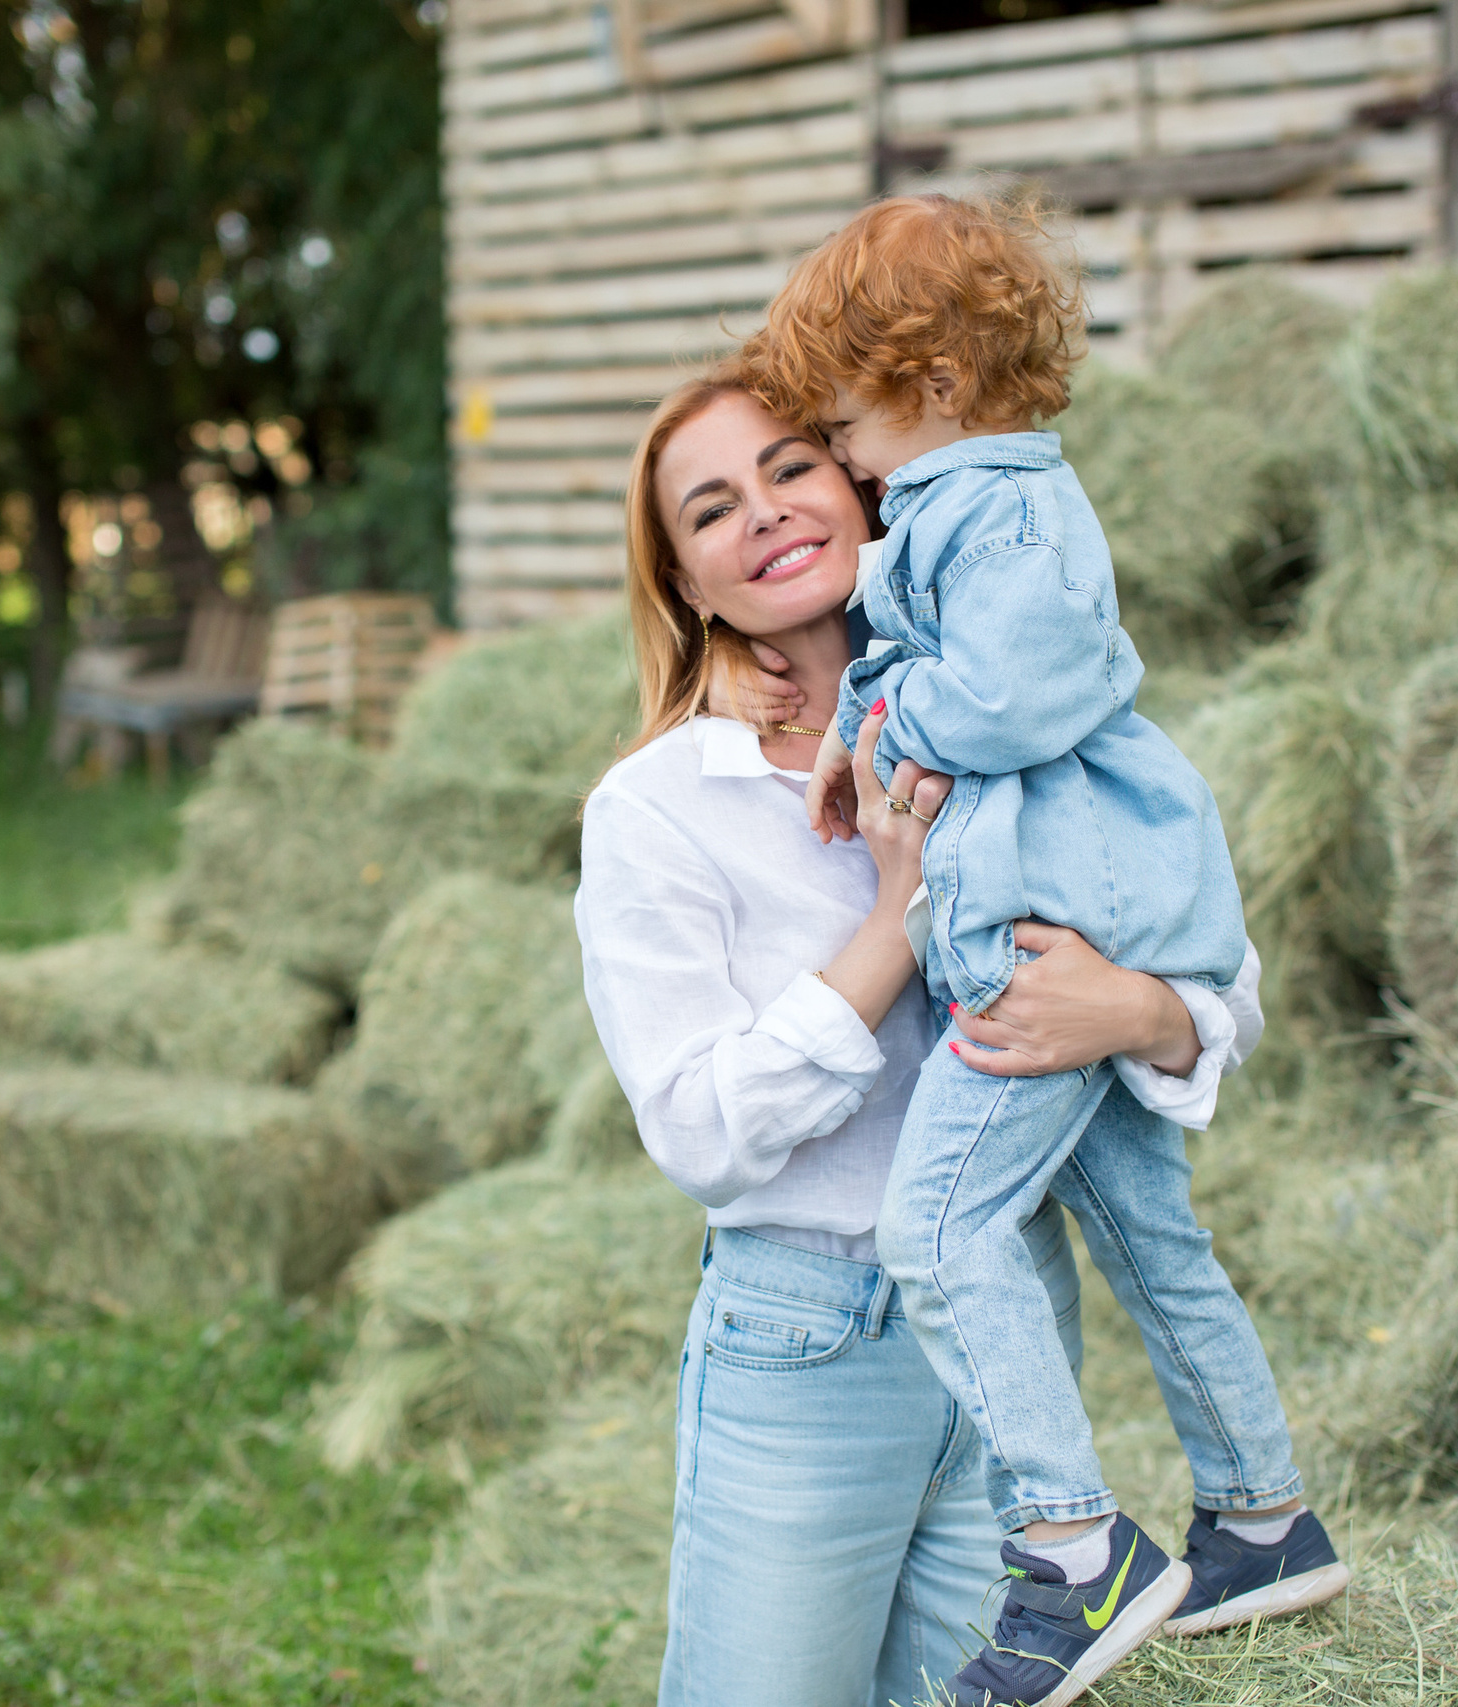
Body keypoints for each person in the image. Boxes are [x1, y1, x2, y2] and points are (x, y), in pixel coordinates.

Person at [575, 371, 1271, 1707]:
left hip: (1016, 1341)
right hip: (808, 1345)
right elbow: (701, 1131)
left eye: (793, 467)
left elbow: (1227, 985)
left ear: (863, 486)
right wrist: (900, 912)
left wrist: (1137, 1012)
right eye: (714, 508)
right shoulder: (660, 807)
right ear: (689, 585)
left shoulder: (1044, 726)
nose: (768, 512)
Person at [738, 192, 1345, 1705]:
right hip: (1070, 917)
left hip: (1046, 935)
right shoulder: (963, 512)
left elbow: (1025, 682)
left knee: (935, 1233)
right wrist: (860, 735)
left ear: (936, 385)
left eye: (847, 414)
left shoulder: (999, 510)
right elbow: (931, 680)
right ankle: (1264, 1518)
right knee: (1152, 1239)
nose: (838, 447)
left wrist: (897, 725)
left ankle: (1079, 1554)